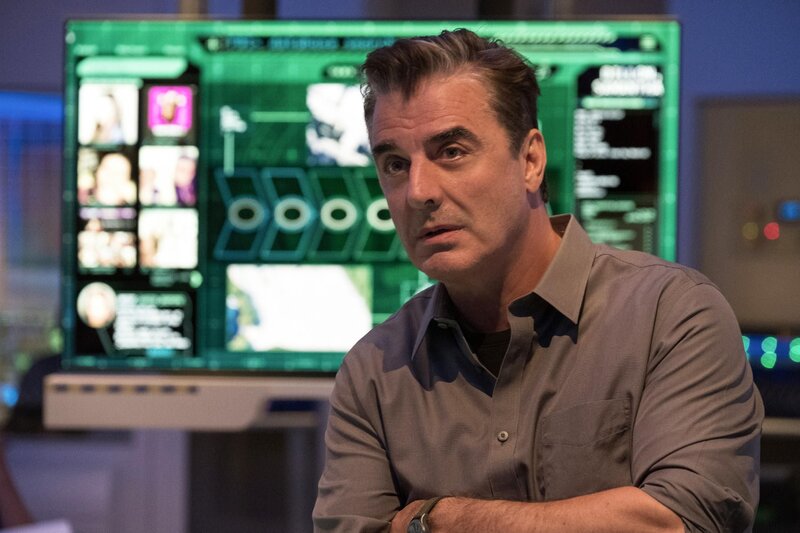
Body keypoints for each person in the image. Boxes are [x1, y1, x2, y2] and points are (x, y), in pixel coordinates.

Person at [313, 29, 763, 533]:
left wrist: (439, 519)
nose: (418, 192)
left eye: (452, 151)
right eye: (396, 164)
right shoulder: (374, 371)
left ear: (530, 160)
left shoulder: (672, 316)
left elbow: (686, 520)